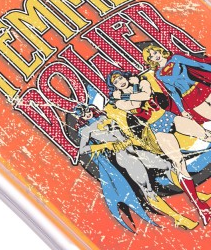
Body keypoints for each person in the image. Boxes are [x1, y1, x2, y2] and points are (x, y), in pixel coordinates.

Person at [108, 69, 211, 225]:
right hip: (157, 128)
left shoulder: (141, 82)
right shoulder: (119, 102)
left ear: (126, 77)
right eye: (116, 82)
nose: (120, 82)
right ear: (114, 87)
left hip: (168, 117)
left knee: (206, 135)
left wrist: (129, 91)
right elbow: (136, 104)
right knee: (178, 162)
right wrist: (128, 93)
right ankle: (200, 207)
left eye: (120, 78)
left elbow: (145, 96)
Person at [71, 103, 198, 230]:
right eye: (83, 114)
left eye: (87, 110)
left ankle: (192, 194)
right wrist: (105, 145)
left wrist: (129, 138)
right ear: (80, 117)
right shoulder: (86, 130)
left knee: (167, 165)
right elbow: (82, 149)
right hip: (123, 157)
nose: (87, 114)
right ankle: (179, 218)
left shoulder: (104, 117)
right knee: (147, 189)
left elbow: (122, 130)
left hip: (133, 149)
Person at [143, 45, 211, 123]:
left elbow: (200, 65)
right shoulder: (158, 74)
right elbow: (173, 92)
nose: (155, 56)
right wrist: (182, 110)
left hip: (200, 88)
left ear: (159, 51)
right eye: (151, 56)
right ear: (150, 60)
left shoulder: (175, 58)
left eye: (155, 53)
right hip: (190, 98)